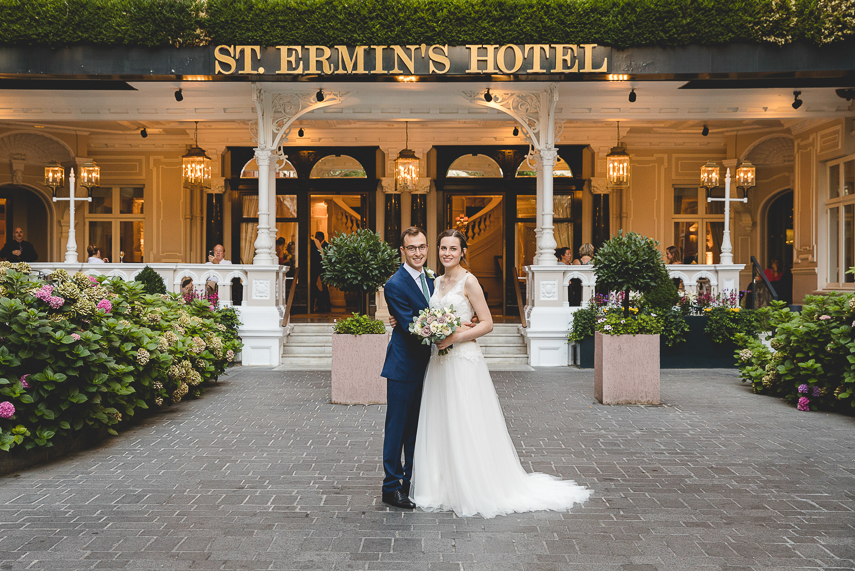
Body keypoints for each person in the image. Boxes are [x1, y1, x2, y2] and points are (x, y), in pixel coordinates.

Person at [410, 229, 591, 518]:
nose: (447, 253)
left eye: (453, 249)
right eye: (443, 248)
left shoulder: (470, 281)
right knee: (442, 418)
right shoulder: (435, 281)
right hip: (439, 362)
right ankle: (441, 484)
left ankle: (473, 484)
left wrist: (454, 336)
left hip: (463, 360)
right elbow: (428, 316)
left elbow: (488, 323)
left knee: (466, 419)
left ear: (463, 251)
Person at [379, 227, 435, 510]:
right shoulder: (395, 284)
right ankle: (391, 487)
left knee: (417, 427)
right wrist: (448, 330)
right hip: (403, 366)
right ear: (402, 250)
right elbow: (413, 326)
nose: (418, 253)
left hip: (430, 366)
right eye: (412, 248)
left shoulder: (432, 279)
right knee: (397, 428)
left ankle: (411, 481)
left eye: (422, 247)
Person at [310, 231, 331, 313]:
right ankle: (321, 304)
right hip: (317, 268)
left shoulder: (326, 245)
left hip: (321, 268)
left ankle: (325, 305)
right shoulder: (316, 243)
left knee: (323, 286)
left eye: (316, 236)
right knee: (316, 286)